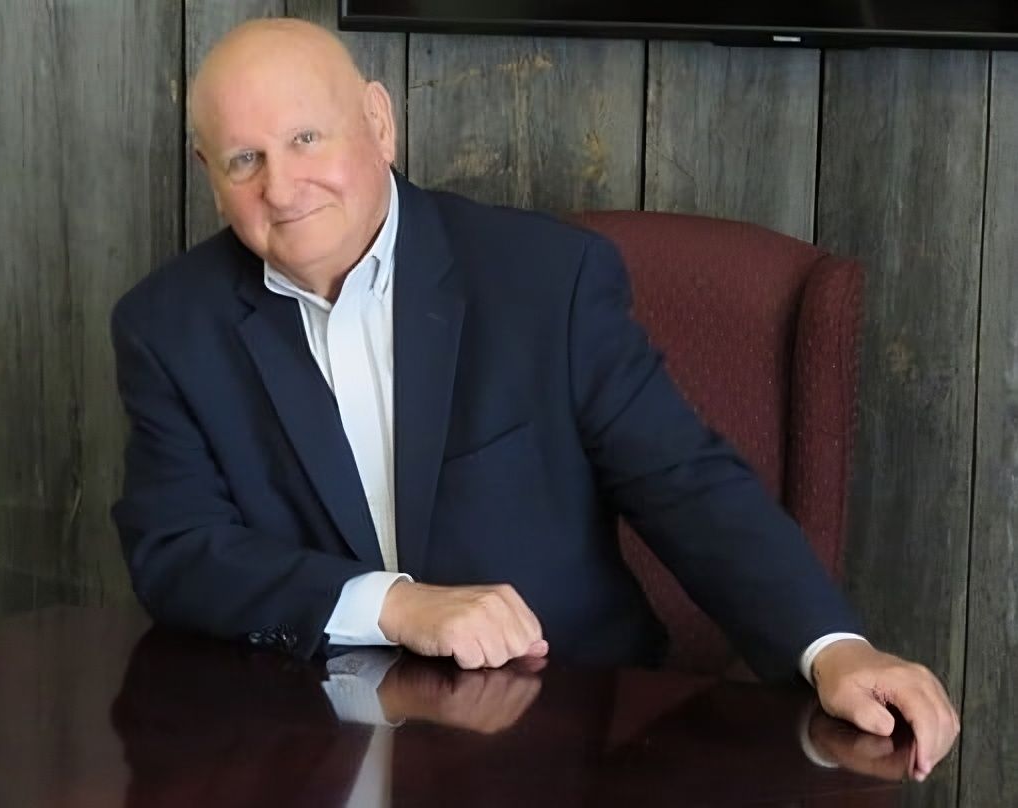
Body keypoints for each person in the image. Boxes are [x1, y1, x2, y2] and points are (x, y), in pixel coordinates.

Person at [110, 18, 958, 781]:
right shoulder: (166, 325)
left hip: (568, 732)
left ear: (377, 120)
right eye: (244, 159)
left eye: (305, 138)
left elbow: (686, 483)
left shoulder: (543, 278)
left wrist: (833, 650)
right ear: (209, 174)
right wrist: (395, 603)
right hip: (309, 743)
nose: (283, 187)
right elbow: (179, 552)